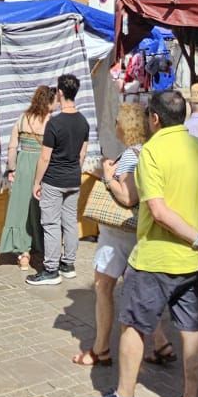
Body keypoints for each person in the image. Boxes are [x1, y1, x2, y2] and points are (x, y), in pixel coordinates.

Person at [83, 90, 198, 397]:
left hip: (157, 257)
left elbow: (159, 212)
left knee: (133, 324)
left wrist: (197, 237)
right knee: (192, 330)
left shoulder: (152, 152)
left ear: (155, 119)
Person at [75, 103, 170, 367]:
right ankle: (161, 342)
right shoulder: (149, 152)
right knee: (143, 290)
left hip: (119, 234)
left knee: (103, 287)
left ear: (125, 126)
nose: (114, 124)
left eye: (117, 120)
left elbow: (128, 196)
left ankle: (100, 349)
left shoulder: (131, 155)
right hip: (139, 232)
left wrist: (107, 177)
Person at [29, 72, 91, 287]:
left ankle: (51, 268)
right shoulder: (83, 122)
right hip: (73, 177)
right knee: (70, 222)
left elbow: (45, 156)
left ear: (61, 93)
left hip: (54, 179)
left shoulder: (54, 124)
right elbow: (83, 153)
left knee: (51, 223)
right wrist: (75, 170)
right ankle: (68, 264)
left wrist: (37, 182)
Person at [0, 86, 53, 264]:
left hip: (23, 164)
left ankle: (23, 253)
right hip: (43, 166)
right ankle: (42, 246)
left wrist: (12, 169)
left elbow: (12, 147)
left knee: (21, 208)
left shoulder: (22, 118)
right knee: (40, 208)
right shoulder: (51, 121)